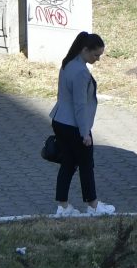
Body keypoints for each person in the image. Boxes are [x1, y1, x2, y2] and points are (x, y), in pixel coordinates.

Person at [49, 32, 114, 217]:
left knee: (68, 164)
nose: (98, 59)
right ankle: (93, 205)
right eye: (96, 55)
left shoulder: (68, 63)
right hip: (75, 126)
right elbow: (80, 105)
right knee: (86, 165)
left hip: (59, 120)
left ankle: (63, 206)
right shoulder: (81, 73)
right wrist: (85, 134)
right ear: (85, 50)